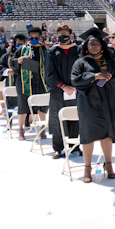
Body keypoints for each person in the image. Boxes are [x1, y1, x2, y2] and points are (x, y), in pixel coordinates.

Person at [72, 28, 115, 183]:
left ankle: (109, 165)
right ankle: (87, 167)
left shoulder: (111, 61)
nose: (94, 45)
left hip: (108, 103)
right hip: (87, 104)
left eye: (97, 43)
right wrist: (94, 76)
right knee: (88, 136)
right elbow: (75, 80)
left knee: (107, 134)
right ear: (86, 46)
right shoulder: (80, 62)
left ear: (102, 45)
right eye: (91, 43)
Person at [44, 25, 80, 159]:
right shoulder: (52, 52)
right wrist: (63, 86)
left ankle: (74, 146)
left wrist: (77, 85)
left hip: (75, 90)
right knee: (57, 117)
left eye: (65, 33)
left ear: (71, 35)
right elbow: (49, 72)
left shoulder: (78, 50)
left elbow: (83, 67)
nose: (62, 35)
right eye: (60, 33)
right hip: (58, 91)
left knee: (74, 117)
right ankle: (58, 148)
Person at [10, 27, 48, 141]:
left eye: (37, 37)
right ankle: (21, 130)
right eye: (32, 37)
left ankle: (43, 128)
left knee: (42, 105)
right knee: (22, 105)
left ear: (40, 37)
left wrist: (49, 48)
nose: (34, 39)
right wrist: (19, 59)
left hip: (41, 80)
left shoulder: (45, 49)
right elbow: (12, 61)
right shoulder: (22, 48)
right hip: (24, 81)